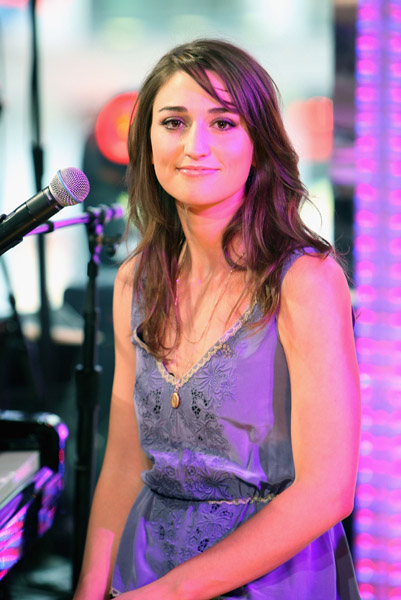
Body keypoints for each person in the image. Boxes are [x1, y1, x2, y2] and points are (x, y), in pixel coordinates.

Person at [73, 39, 361, 600]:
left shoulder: (304, 279)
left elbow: (328, 491)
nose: (194, 146)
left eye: (223, 123)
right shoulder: (136, 281)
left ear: (260, 142)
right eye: (173, 122)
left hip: (268, 580)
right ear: (146, 140)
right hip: (144, 570)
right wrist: (89, 589)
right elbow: (125, 463)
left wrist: (171, 594)